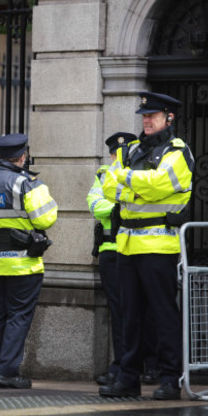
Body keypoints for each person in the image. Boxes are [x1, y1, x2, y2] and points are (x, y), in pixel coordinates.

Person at [99, 91, 194, 400]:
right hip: (126, 246)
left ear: (169, 118)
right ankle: (128, 378)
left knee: (163, 315)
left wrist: (128, 181)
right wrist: (136, 182)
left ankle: (170, 379)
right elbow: (109, 186)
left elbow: (161, 185)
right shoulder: (130, 151)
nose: (147, 120)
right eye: (144, 116)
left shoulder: (178, 152)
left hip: (159, 247)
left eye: (153, 115)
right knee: (130, 317)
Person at [0, 133, 58, 389]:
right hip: (22, 264)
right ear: (22, 156)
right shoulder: (28, 184)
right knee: (18, 317)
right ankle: (7, 372)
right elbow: (45, 219)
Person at [87, 132, 134, 386]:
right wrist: (118, 207)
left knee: (139, 311)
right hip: (110, 251)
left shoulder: (139, 172)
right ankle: (121, 365)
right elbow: (94, 204)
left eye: (122, 152)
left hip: (135, 251)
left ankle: (143, 364)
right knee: (118, 311)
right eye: (115, 153)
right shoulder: (104, 174)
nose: (117, 157)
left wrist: (117, 202)